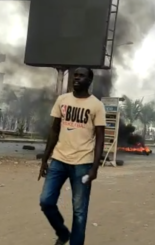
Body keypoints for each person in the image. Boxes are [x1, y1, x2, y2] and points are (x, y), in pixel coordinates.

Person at [38, 67, 106, 245]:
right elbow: (54, 131)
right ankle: (62, 233)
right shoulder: (62, 100)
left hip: (83, 164)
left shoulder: (97, 105)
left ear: (89, 81)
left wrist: (94, 168)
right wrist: (45, 159)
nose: (76, 78)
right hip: (59, 161)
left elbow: (100, 139)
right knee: (46, 201)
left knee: (79, 211)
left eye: (81, 76)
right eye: (75, 75)